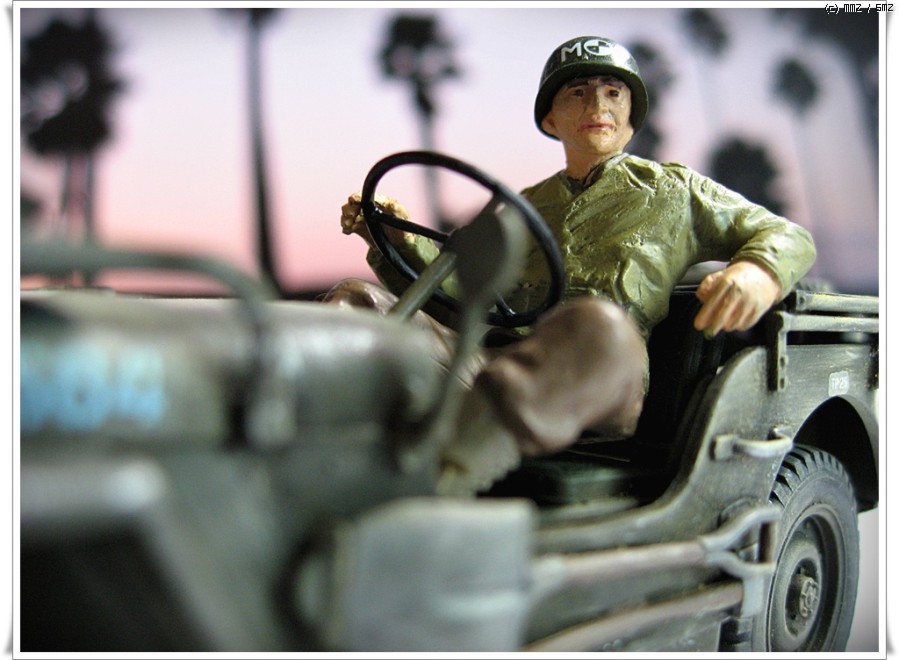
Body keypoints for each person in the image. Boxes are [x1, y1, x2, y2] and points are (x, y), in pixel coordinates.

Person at [326, 35, 817, 496]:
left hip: (603, 372)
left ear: (630, 117)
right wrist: (397, 239)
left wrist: (757, 271)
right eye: (578, 93)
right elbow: (462, 293)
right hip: (499, 361)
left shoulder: (676, 191)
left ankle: (454, 471)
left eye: (613, 93)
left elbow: (787, 234)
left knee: (598, 324)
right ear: (551, 119)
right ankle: (322, 446)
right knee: (357, 299)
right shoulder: (525, 205)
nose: (597, 105)